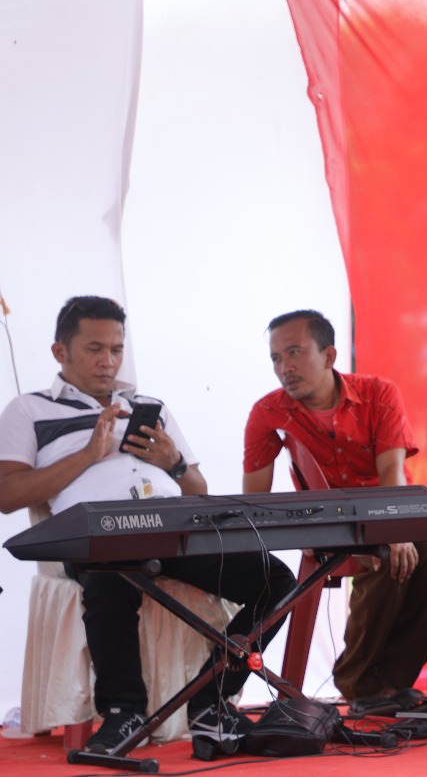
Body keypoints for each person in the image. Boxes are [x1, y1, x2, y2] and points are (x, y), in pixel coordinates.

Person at [0, 296, 297, 752]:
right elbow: (7, 495)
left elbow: (198, 489)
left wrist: (173, 463)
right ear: (60, 351)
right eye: (94, 348)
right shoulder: (30, 410)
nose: (108, 361)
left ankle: (212, 698)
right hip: (96, 536)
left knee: (276, 580)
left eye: (116, 349)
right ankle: (124, 714)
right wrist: (89, 454)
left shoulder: (149, 405)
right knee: (111, 575)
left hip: (173, 528)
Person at [242, 309, 427, 713]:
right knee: (384, 556)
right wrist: (303, 534)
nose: (284, 368)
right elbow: (254, 502)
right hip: (331, 528)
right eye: (275, 358)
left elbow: (392, 474)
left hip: (392, 514)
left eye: (294, 353)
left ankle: (390, 681)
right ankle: (357, 681)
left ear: (329, 355)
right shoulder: (268, 412)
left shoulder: (378, 393)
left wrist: (393, 530)